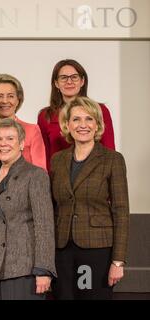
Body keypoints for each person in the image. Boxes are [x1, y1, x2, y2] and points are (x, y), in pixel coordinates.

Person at [50, 96, 129, 300]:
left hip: (97, 250)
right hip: (62, 250)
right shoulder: (57, 160)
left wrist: (118, 261)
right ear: (67, 125)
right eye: (76, 119)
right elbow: (53, 206)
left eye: (89, 119)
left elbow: (121, 211)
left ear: (97, 125)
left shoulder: (112, 159)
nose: (82, 125)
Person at [0, 118, 56, 300]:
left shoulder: (35, 175)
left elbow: (44, 225)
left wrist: (43, 269)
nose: (3, 144)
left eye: (10, 138)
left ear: (21, 144)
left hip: (26, 269)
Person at [38, 59, 115, 170]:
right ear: (56, 83)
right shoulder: (46, 116)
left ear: (82, 81)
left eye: (74, 77)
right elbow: (44, 156)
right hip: (58, 178)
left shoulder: (100, 110)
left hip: (95, 176)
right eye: (63, 78)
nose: (69, 82)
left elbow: (109, 149)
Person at [0, 74, 46, 171]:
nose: (5, 101)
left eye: (10, 96)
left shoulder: (32, 130)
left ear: (18, 100)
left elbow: (41, 173)